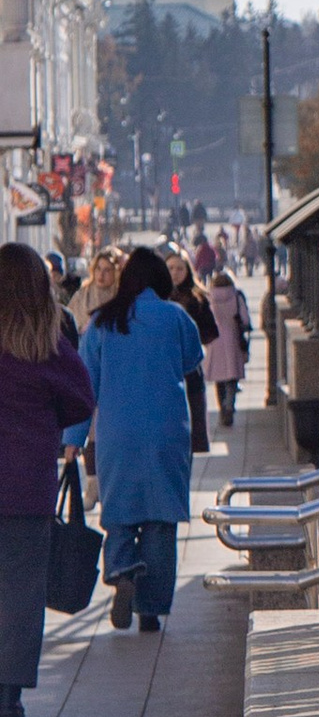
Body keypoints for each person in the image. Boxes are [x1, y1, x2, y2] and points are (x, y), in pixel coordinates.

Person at [80, 247, 204, 634]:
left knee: (119, 511)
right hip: (166, 430)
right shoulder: (176, 317)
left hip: (117, 432)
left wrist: (72, 437)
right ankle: (149, 609)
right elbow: (192, 359)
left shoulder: (101, 323)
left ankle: (120, 567)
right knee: (161, 519)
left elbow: (85, 386)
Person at [0, 244, 94, 717]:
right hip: (25, 484)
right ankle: (8, 694)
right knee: (20, 590)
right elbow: (81, 399)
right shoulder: (46, 340)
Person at [203, 261, 249, 427]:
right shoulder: (236, 297)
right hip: (233, 341)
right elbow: (245, 319)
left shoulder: (209, 298)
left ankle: (222, 408)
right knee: (231, 378)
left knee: (218, 380)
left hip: (214, 342)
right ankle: (230, 405)